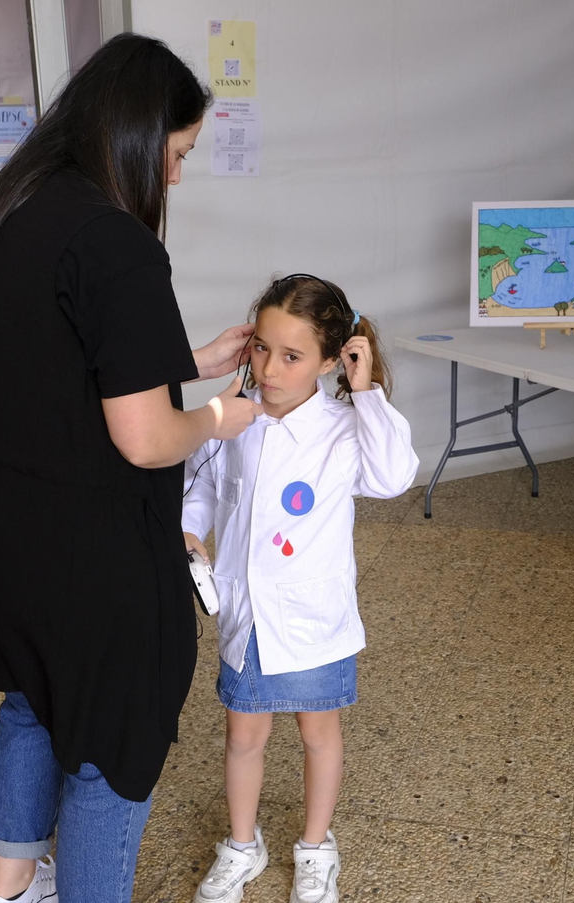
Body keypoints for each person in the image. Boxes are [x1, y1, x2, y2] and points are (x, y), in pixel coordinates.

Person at [0, 33, 263, 903]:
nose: (174, 176)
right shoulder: (115, 239)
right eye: (176, 153)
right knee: (110, 744)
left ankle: (11, 888)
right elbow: (141, 438)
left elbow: (53, 363)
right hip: (86, 553)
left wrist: (186, 355)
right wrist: (217, 414)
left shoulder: (3, 213)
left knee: (32, 702)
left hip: (1, 536)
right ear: (134, 135)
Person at [181, 276, 417, 903]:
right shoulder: (234, 418)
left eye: (292, 356)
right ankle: (241, 843)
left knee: (319, 734)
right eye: (261, 348)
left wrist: (366, 393)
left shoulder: (344, 427)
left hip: (315, 618)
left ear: (333, 359)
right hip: (247, 613)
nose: (270, 368)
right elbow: (200, 481)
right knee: (243, 736)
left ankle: (316, 847)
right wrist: (189, 528)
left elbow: (395, 476)